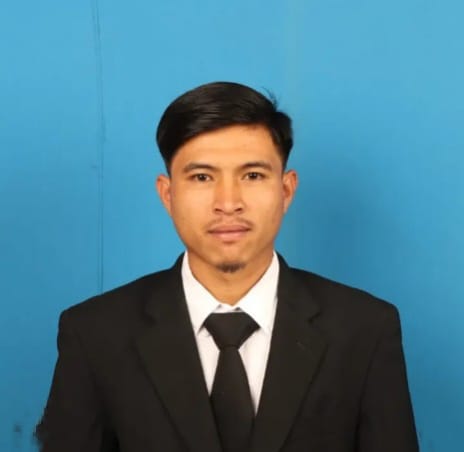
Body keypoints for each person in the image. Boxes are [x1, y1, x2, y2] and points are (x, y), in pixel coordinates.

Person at [36, 81, 419, 452]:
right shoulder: (96, 334)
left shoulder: (364, 330)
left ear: (286, 190)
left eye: (252, 176)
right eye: (202, 177)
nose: (228, 202)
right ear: (168, 194)